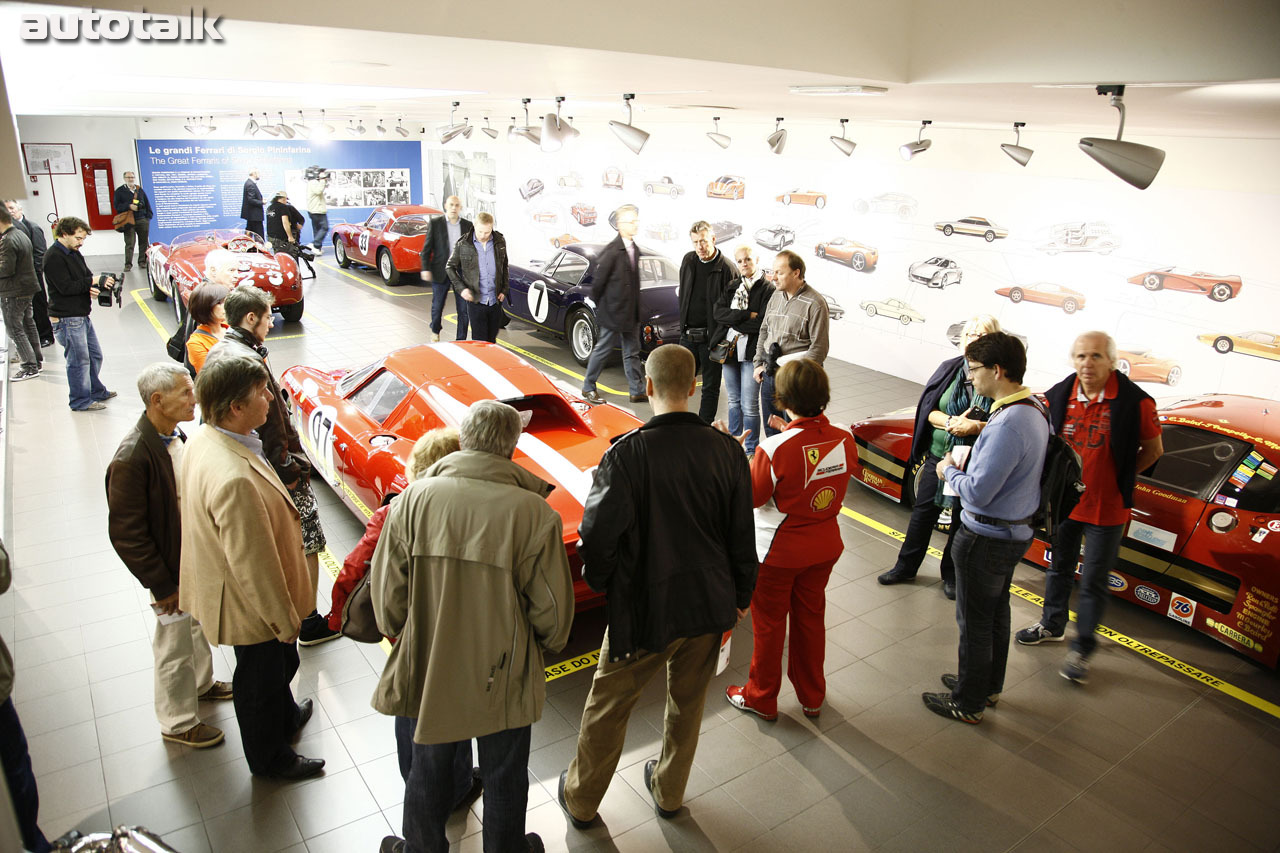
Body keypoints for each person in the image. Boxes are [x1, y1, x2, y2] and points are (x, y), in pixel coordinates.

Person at [558, 345, 757, 826]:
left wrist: (604, 582)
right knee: (687, 705)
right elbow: (741, 536)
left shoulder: (627, 455)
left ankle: (583, 801)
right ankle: (669, 793)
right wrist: (740, 597)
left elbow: (596, 537)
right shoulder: (728, 451)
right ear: (694, 387)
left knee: (609, 705)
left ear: (647, 387)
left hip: (644, 610)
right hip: (708, 605)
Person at [372, 401, 572, 853]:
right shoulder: (535, 515)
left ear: (465, 440)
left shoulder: (413, 501)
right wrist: (544, 646)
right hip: (503, 669)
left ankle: (421, 848)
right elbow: (553, 614)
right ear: (511, 447)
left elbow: (388, 600)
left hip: (430, 661)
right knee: (504, 772)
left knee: (428, 764)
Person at [179, 355, 324, 779]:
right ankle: (270, 759)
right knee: (258, 679)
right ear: (234, 408)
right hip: (252, 604)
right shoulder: (233, 477)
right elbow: (253, 565)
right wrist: (284, 620)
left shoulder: (211, 438)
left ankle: (286, 717)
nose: (270, 399)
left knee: (276, 669)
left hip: (239, 588)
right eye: (260, 393)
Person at [1015, 331, 1163, 684]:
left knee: (1094, 580)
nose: (1087, 363)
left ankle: (1082, 647)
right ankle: (1052, 625)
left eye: (1096, 356)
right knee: (1059, 568)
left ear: (1112, 361)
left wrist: (1121, 477)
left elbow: (1154, 450)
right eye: (1081, 356)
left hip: (1107, 511)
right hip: (1067, 505)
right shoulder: (1060, 395)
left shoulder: (1135, 402)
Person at [106, 363, 234, 749]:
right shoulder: (131, 458)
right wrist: (162, 585)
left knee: (194, 629)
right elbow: (127, 535)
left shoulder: (172, 436)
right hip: (169, 573)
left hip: (188, 563)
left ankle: (201, 684)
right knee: (173, 646)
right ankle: (178, 723)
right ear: (157, 401)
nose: (193, 399)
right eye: (185, 393)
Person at [922, 332, 1048, 724]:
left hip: (986, 536)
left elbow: (977, 492)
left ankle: (968, 700)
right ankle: (986, 684)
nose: (970, 378)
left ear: (997, 370)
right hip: (1011, 532)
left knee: (974, 621)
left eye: (974, 370)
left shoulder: (1009, 423)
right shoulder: (1033, 409)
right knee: (995, 614)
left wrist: (948, 470)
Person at [204, 286, 337, 646]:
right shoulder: (246, 360)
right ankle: (307, 619)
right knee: (309, 540)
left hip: (264, 463)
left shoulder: (222, 350)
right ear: (250, 318)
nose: (271, 323)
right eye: (267, 318)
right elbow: (269, 423)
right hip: (278, 469)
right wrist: (290, 470)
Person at [724, 358, 855, 721]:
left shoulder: (774, 449)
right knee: (811, 620)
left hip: (777, 556)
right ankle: (813, 696)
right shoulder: (844, 438)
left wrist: (738, 456)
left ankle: (761, 697)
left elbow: (750, 498)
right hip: (824, 547)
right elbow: (815, 460)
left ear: (781, 398)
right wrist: (792, 434)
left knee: (768, 627)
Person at [878, 315, 1002, 600]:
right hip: (940, 456)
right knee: (922, 515)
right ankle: (905, 567)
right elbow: (929, 410)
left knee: (960, 520)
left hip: (974, 463)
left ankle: (952, 575)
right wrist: (950, 423)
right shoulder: (949, 370)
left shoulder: (996, 376)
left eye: (980, 334)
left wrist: (976, 426)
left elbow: (1002, 419)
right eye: (969, 333)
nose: (973, 338)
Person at [323, 428, 459, 646]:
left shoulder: (392, 514)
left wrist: (338, 615)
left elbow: (357, 566)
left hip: (412, 624)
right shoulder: (479, 511)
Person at [43, 217, 117, 412]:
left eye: (83, 238)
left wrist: (90, 288)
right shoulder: (53, 258)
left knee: (94, 356)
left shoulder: (74, 252)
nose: (81, 242)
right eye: (77, 238)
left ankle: (95, 390)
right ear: (64, 234)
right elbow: (65, 287)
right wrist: (93, 280)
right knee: (78, 361)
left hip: (81, 315)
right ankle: (79, 401)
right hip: (67, 319)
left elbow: (83, 276)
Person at [753, 250, 829, 437]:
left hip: (796, 381)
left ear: (796, 273)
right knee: (772, 432)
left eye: (779, 272)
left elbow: (819, 348)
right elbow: (764, 331)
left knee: (796, 434)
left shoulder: (815, 303)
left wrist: (799, 378)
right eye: (773, 272)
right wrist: (758, 363)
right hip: (770, 375)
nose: (773, 277)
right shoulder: (775, 296)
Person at [581, 204, 647, 405]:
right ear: (620, 225)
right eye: (631, 221)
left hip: (630, 313)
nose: (635, 224)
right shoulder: (611, 251)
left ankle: (636, 390)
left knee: (632, 353)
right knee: (602, 351)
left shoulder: (633, 248)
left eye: (636, 220)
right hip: (612, 313)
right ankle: (588, 387)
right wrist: (605, 309)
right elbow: (597, 285)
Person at [714, 244, 774, 454]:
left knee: (749, 405)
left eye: (747, 259)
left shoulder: (768, 289)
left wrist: (734, 321)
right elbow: (718, 313)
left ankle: (750, 450)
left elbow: (762, 324)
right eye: (739, 261)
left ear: (756, 260)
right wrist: (746, 315)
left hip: (751, 353)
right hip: (729, 351)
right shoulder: (732, 286)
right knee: (733, 401)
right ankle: (733, 444)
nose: (743, 264)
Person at [680, 220, 739, 422]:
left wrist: (720, 337)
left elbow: (733, 309)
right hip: (687, 337)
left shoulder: (728, 269)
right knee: (678, 385)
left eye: (703, 241)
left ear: (713, 239)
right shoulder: (688, 260)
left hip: (712, 340)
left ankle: (703, 429)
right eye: (695, 242)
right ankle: (679, 427)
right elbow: (684, 296)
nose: (700, 247)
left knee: (710, 388)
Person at [445, 211, 508, 344]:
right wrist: (462, 289)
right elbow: (450, 267)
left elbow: (504, 266)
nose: (484, 236)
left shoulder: (499, 241)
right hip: (476, 302)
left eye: (487, 232)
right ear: (474, 226)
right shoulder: (463, 244)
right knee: (479, 343)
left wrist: (504, 290)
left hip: (495, 301)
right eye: (480, 232)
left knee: (492, 342)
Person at [420, 195, 472, 342]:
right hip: (440, 271)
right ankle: (435, 331)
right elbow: (426, 248)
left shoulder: (468, 226)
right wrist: (425, 268)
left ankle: (460, 340)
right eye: (451, 205)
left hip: (460, 273)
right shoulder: (436, 223)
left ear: (460, 207)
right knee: (437, 306)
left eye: (457, 205)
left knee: (463, 309)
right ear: (445, 206)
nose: (454, 208)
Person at [0, 206, 43, 381]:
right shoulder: (20, 233)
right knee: (27, 324)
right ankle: (36, 360)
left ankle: (29, 366)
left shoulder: (8, 240)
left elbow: (6, 268)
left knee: (14, 328)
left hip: (14, 290)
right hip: (26, 288)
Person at [3, 199, 53, 347]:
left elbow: (40, 253)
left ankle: (46, 335)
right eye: (6, 209)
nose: (10, 211)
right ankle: (33, 337)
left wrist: (36, 272)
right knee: (27, 310)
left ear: (19, 208)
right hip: (19, 279)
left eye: (12, 208)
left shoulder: (32, 227)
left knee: (39, 305)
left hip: (32, 275)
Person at [184, 282, 230, 375]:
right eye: (219, 303)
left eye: (226, 301)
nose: (225, 306)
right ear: (205, 307)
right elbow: (211, 376)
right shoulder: (196, 343)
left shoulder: (233, 328)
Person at [113, 170, 152, 272]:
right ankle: (128, 264)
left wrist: (148, 216)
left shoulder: (139, 190)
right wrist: (129, 206)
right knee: (130, 243)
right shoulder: (119, 191)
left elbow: (146, 203)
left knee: (143, 242)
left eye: (132, 177)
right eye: (128, 177)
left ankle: (142, 261)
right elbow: (117, 206)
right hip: (128, 221)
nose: (130, 179)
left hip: (142, 219)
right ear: (124, 179)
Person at [266, 190, 305, 254]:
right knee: (289, 256)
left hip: (271, 237)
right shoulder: (283, 207)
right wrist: (290, 236)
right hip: (281, 238)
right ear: (284, 199)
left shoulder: (269, 208)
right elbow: (285, 222)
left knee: (278, 256)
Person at [305, 166, 329, 250]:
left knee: (317, 230)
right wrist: (323, 180)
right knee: (324, 227)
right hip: (317, 210)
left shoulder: (311, 182)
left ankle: (317, 248)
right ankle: (315, 244)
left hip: (313, 210)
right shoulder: (313, 182)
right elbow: (318, 191)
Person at [241, 168, 264, 238]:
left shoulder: (249, 183)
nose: (259, 175)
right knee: (259, 236)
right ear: (254, 174)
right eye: (258, 173)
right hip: (254, 215)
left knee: (249, 234)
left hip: (252, 215)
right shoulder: (250, 184)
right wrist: (261, 202)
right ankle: (260, 248)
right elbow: (251, 199)